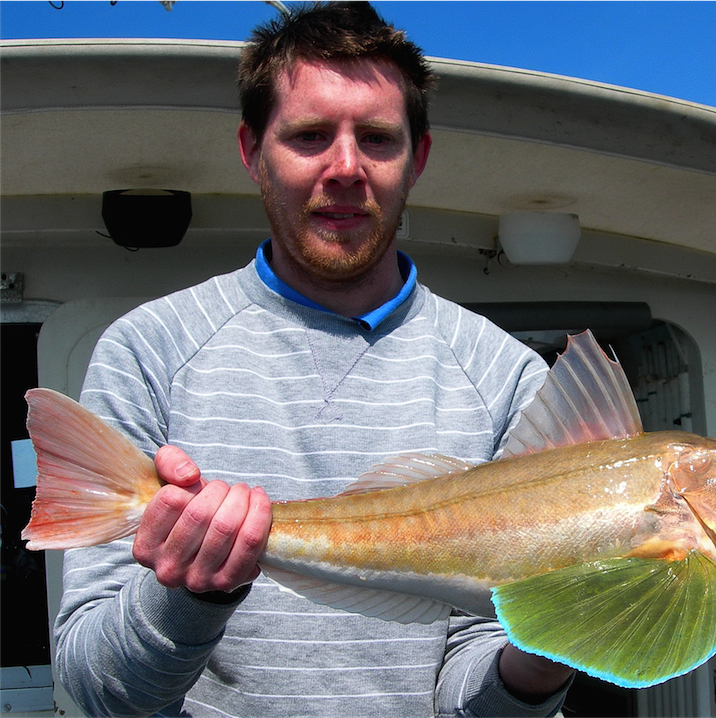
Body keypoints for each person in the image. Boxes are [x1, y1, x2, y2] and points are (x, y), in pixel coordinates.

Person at [54, 3, 576, 716]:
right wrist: (185, 596)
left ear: (416, 159)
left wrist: (548, 651)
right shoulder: (148, 349)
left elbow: (470, 693)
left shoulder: (507, 377)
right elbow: (94, 694)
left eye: (379, 138)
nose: (346, 168)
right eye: (308, 136)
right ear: (251, 151)